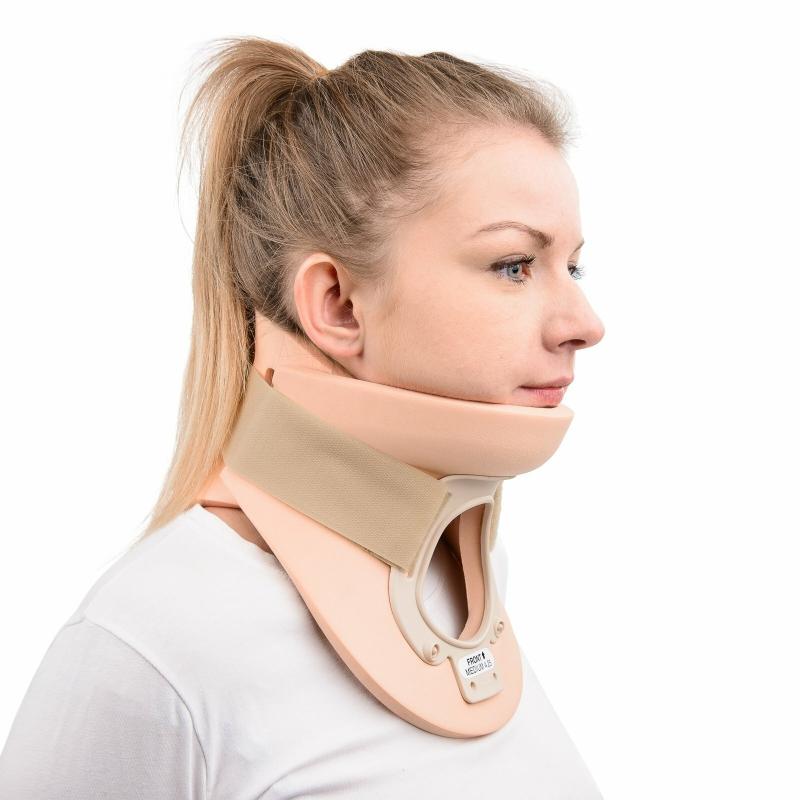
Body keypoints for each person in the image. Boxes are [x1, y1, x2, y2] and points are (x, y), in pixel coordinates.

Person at [0, 35, 605, 797]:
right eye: (514, 265)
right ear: (338, 305)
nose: (585, 323)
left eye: (573, 266)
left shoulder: (458, 583)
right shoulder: (153, 638)